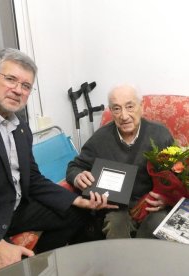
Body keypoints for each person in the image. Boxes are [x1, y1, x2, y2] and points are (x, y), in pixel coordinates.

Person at [0, 48, 117, 276]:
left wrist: (77, 200)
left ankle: (35, 265)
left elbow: (33, 180)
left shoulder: (20, 126)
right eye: (10, 79)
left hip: (10, 209)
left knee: (78, 214)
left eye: (26, 86)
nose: (18, 90)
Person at [66, 84, 175, 239]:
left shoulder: (159, 134)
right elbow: (75, 166)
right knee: (115, 223)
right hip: (116, 207)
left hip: (152, 206)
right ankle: (121, 262)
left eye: (129, 106)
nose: (124, 116)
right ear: (111, 111)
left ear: (141, 107)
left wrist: (168, 198)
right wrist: (78, 177)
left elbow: (178, 172)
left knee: (158, 226)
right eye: (117, 109)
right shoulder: (101, 138)